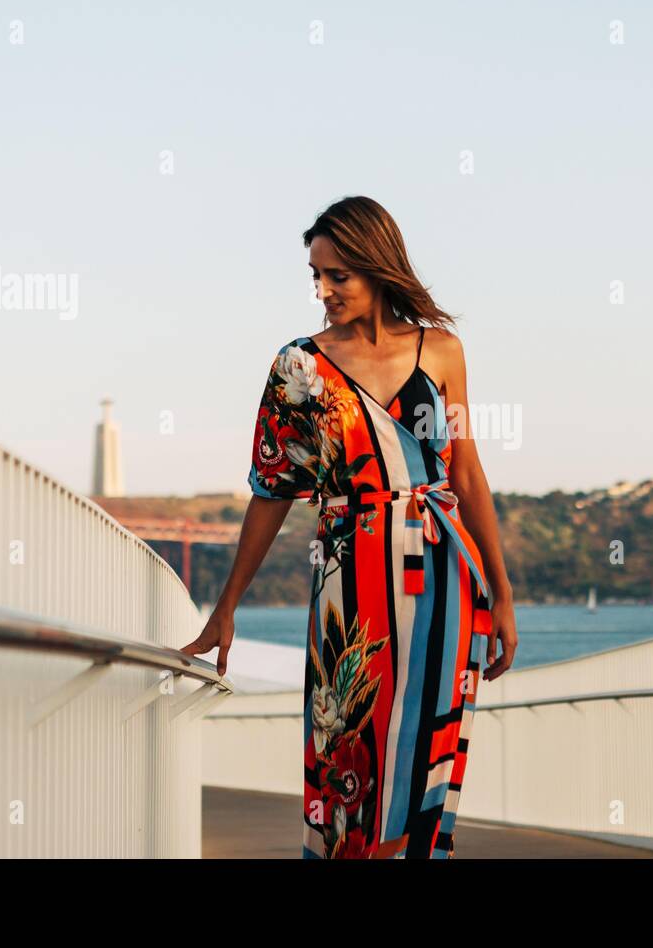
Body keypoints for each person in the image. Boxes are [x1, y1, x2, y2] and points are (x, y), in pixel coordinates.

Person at [183, 195, 517, 858]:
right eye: (317, 276)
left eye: (340, 275)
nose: (325, 290)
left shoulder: (441, 351)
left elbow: (469, 474)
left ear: (377, 267)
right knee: (348, 749)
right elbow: (271, 491)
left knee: (428, 748)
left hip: (444, 580)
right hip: (350, 581)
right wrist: (227, 607)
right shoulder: (298, 367)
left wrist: (503, 594)